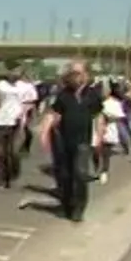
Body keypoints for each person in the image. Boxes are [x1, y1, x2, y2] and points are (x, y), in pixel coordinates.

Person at [38, 65, 101, 222]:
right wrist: (45, 132)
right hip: (63, 140)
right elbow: (54, 114)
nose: (77, 77)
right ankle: (67, 205)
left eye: (79, 74)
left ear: (86, 76)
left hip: (83, 141)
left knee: (80, 173)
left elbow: (98, 116)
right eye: (73, 74)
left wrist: (99, 135)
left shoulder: (92, 95)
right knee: (65, 175)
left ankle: (79, 208)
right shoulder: (64, 95)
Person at [0, 68, 37, 189]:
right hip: (1, 122)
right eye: (12, 72)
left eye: (18, 72)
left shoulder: (24, 87)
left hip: (17, 122)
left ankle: (12, 175)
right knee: (0, 152)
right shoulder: (0, 85)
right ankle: (2, 178)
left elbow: (31, 102)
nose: (15, 74)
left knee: (12, 152)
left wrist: (24, 114)